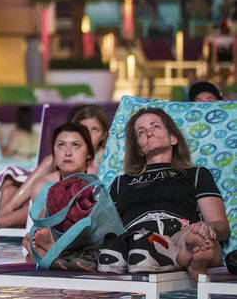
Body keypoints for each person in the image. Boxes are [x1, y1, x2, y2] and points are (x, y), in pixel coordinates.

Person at [97, 108, 228, 276]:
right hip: (138, 240)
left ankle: (189, 249)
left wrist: (205, 228)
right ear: (138, 149)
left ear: (173, 138)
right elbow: (109, 227)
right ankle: (189, 256)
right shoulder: (121, 182)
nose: (149, 133)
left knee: (193, 235)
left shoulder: (195, 174)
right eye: (141, 132)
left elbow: (221, 225)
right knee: (142, 242)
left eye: (155, 126)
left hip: (181, 230)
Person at [0, 104, 111, 229]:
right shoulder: (60, 158)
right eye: (83, 128)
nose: (88, 132)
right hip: (44, 195)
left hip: (66, 204)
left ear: (104, 135)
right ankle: (1, 215)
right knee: (8, 189)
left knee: (49, 196)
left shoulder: (103, 157)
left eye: (94, 130)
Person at [24, 122, 98, 271]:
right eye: (61, 145)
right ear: (54, 152)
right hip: (49, 243)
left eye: (76, 145)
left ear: (89, 154)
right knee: (34, 244)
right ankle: (58, 254)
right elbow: (40, 231)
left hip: (89, 245)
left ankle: (57, 253)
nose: (68, 152)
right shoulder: (43, 186)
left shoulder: (98, 183)